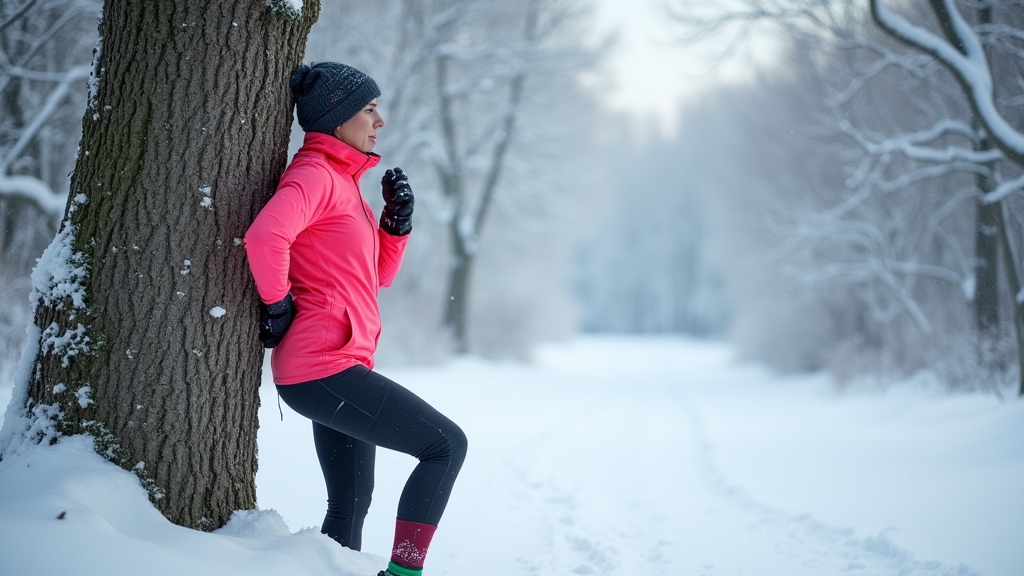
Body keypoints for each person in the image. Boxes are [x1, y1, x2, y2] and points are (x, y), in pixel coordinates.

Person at [244, 62, 467, 576]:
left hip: (339, 364)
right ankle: (404, 573)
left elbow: (377, 277)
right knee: (445, 445)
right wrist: (277, 304)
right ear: (336, 116)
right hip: (321, 366)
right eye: (369, 109)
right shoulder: (315, 176)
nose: (379, 121)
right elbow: (265, 237)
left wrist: (395, 225)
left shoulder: (346, 186)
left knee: (349, 504)